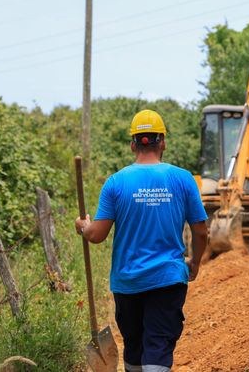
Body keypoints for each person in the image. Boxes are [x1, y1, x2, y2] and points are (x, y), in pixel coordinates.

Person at [75, 109, 208, 372]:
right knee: (157, 346)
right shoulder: (183, 179)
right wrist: (195, 262)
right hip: (168, 280)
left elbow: (97, 235)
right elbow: (201, 232)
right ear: (163, 142)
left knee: (134, 347)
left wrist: (83, 227)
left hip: (128, 283)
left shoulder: (116, 182)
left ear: (133, 143)